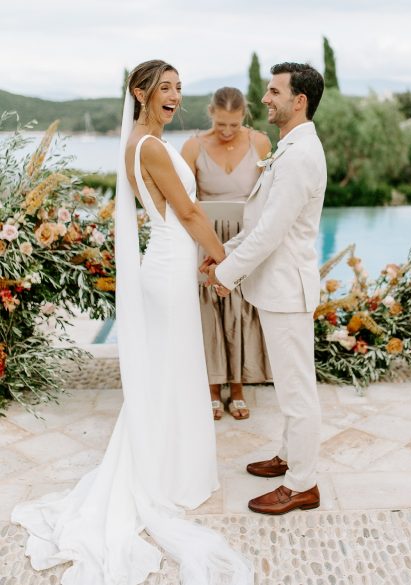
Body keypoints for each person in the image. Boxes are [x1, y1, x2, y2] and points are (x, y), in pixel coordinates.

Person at [12, 60, 252, 585]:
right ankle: (163, 473)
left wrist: (206, 258)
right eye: (165, 88)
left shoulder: (149, 143)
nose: (175, 96)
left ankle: (170, 464)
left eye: (179, 88)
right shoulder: (147, 146)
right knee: (174, 370)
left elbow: (183, 213)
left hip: (171, 263)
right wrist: (225, 262)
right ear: (139, 93)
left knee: (173, 371)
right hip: (168, 268)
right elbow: (188, 213)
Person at [204, 62, 327, 515]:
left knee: (297, 391)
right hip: (276, 286)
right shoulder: (289, 148)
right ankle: (290, 456)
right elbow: (259, 221)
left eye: (274, 92)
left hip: (287, 290)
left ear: (299, 101)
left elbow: (271, 234)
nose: (265, 99)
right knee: (290, 389)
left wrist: (224, 273)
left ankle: (303, 484)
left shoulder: (299, 156)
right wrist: (223, 254)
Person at [182, 87, 272, 420]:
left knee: (241, 308)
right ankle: (211, 389)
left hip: (246, 238)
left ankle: (237, 388)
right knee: (209, 311)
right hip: (206, 239)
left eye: (234, 125)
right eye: (221, 124)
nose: (227, 131)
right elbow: (185, 201)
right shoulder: (193, 146)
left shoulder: (260, 143)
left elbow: (267, 197)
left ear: (243, 116)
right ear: (211, 114)